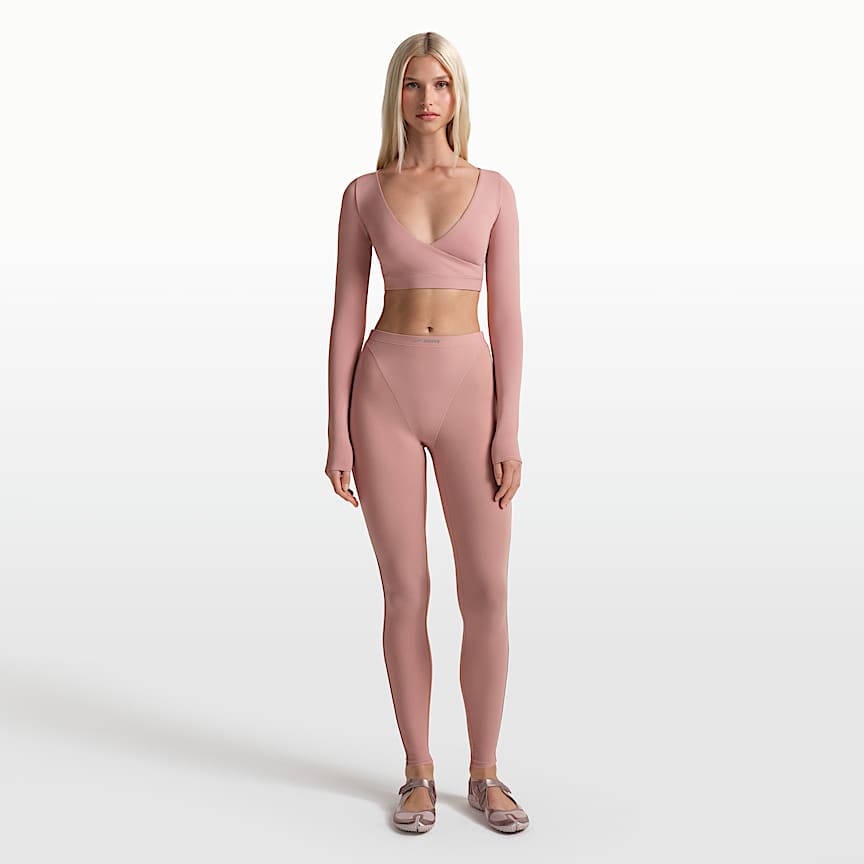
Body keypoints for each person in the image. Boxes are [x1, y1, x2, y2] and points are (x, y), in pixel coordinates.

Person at [324, 32, 529, 834]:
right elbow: (346, 315)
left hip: (470, 394)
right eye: (413, 85)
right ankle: (417, 772)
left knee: (488, 592)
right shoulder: (363, 194)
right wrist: (337, 432)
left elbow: (508, 317)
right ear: (396, 96)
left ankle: (486, 771)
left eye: (440, 84)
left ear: (458, 94)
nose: (427, 99)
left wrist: (508, 427)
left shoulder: (495, 189)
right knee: (406, 591)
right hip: (383, 394)